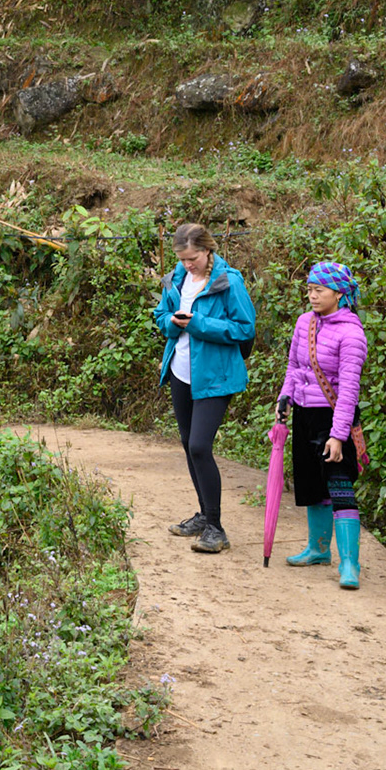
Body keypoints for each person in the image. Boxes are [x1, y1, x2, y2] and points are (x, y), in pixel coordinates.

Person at [153, 222, 256, 554]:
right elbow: (160, 314)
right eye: (183, 259)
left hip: (216, 376)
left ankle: (216, 527)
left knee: (200, 446)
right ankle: (203, 514)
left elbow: (245, 328)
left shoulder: (229, 281)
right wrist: (170, 322)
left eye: (193, 258)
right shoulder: (177, 279)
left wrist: (197, 323)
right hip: (181, 371)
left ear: (207, 249)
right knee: (187, 444)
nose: (188, 265)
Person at [275, 261, 368, 589]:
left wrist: (338, 436)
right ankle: (317, 550)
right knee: (312, 485)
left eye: (319, 290)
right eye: (310, 290)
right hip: (304, 413)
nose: (312, 296)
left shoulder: (352, 333)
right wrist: (285, 398)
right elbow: (293, 366)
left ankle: (350, 565)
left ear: (339, 294)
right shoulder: (305, 323)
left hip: (333, 417)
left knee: (340, 488)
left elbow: (349, 392)